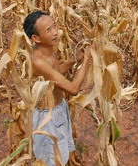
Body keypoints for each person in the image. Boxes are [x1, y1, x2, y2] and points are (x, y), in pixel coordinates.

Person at [23, 10, 90, 166]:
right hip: (48, 119)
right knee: (51, 160)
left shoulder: (46, 50)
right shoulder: (37, 62)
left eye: (54, 27)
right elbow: (73, 89)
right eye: (49, 30)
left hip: (59, 109)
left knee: (61, 154)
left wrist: (75, 60)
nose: (55, 33)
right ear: (35, 38)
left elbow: (56, 72)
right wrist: (86, 62)